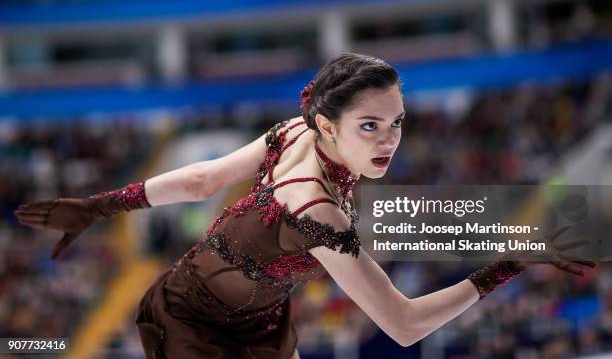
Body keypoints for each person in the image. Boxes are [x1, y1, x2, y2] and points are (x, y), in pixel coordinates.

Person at [14, 53, 596, 359]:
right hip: (191, 326)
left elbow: (202, 181)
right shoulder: (318, 212)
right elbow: (403, 325)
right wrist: (510, 264)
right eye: (369, 126)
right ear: (327, 123)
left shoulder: (297, 132)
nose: (389, 140)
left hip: (261, 320)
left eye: (396, 123)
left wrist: (98, 206)